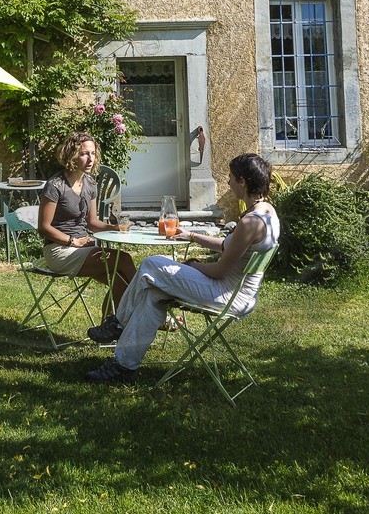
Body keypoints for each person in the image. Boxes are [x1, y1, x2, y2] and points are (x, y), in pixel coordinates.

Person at [84, 151, 279, 383]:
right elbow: (229, 247)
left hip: (227, 295)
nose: (227, 181)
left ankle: (118, 323)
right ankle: (123, 366)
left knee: (151, 264)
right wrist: (192, 236)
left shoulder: (249, 222)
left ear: (242, 182)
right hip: (238, 292)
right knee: (154, 294)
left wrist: (192, 264)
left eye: (230, 177)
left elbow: (219, 271)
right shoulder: (267, 212)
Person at [37, 131, 136, 317]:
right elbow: (43, 227)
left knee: (120, 281)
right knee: (123, 259)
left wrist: (114, 228)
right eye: (84, 154)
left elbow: (92, 223)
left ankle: (108, 327)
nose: (90, 159)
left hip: (84, 249)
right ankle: (157, 314)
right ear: (71, 155)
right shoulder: (56, 185)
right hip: (59, 250)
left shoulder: (90, 183)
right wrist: (72, 241)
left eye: (92, 153)